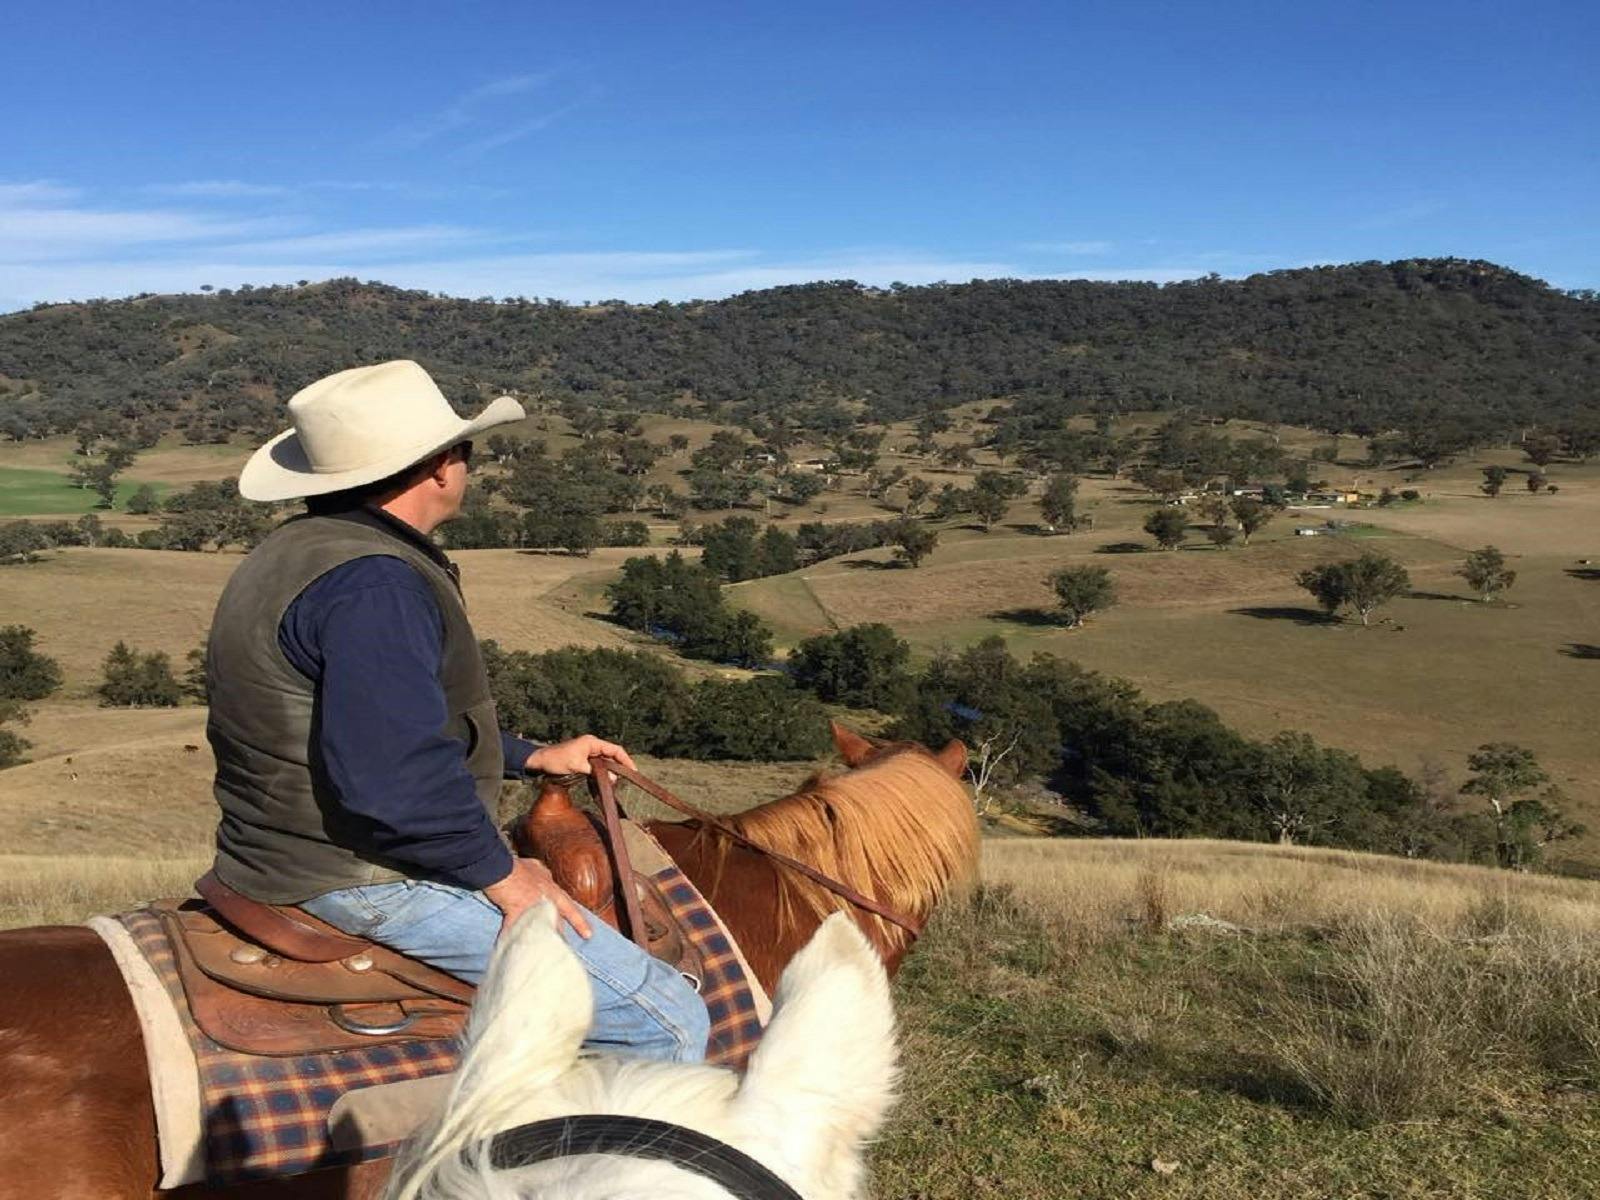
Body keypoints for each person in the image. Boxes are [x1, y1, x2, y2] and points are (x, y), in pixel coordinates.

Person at [206, 360, 708, 1063]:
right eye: (464, 452)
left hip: (268, 854)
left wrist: (528, 754)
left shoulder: (300, 551)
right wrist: (504, 875)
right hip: (362, 877)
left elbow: (376, 719)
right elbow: (393, 777)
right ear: (442, 467)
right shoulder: (374, 584)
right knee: (670, 1022)